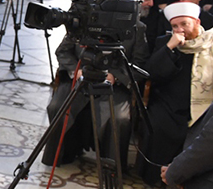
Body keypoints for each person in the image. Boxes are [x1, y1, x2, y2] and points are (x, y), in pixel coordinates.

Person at [41, 12, 148, 167]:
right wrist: (75, 71)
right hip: (80, 78)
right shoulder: (84, 20)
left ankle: (110, 167)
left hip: (114, 84)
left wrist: (115, 77)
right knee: (57, 107)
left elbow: (140, 63)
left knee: (118, 118)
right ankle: (60, 155)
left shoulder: (137, 28)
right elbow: (63, 51)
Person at [138, 2, 213, 186]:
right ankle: (155, 177)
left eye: (184, 24)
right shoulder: (165, 43)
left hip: (207, 106)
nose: (180, 29)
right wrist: (169, 48)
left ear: (197, 22)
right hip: (170, 104)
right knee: (158, 125)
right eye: (175, 26)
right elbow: (151, 73)